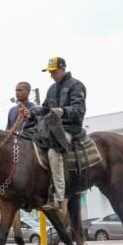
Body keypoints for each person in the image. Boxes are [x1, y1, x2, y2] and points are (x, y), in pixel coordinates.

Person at [25, 57, 87, 209]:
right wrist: (31, 113)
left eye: (53, 72)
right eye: (50, 72)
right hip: (51, 127)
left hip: (69, 128)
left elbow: (79, 110)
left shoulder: (76, 85)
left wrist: (63, 111)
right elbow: (44, 109)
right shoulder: (52, 89)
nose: (51, 75)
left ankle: (59, 197)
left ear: (62, 69)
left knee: (53, 151)